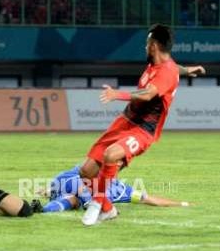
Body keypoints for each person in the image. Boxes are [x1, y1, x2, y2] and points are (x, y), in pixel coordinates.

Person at [79, 24, 205, 226]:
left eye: (147, 43)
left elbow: (148, 94)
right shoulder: (159, 64)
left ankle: (96, 203)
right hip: (124, 122)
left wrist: (116, 94)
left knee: (110, 155)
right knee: (86, 171)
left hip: (142, 130)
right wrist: (189, 70)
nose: (145, 47)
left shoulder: (166, 72)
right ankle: (107, 209)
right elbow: (175, 67)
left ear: (154, 45)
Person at [31, 165, 189, 214]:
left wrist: (181, 204)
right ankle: (91, 203)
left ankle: (42, 209)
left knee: (72, 201)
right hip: (66, 183)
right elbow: (66, 178)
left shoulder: (121, 189)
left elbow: (148, 199)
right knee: (80, 190)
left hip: (67, 194)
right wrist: (49, 188)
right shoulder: (88, 170)